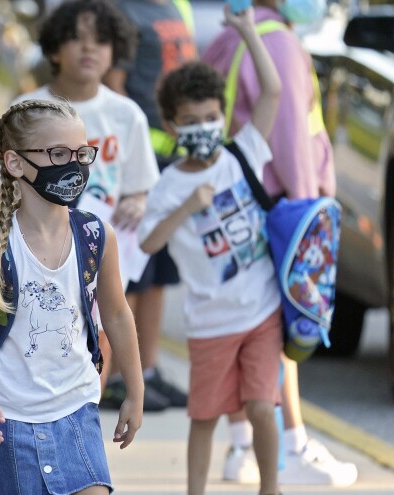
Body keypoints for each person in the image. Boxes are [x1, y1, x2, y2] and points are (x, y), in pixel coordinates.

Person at [202, 0, 357, 487]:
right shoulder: (282, 44)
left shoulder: (228, 37)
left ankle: (242, 447)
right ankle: (293, 443)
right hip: (280, 208)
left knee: (242, 327)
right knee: (281, 333)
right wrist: (310, 214)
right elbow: (291, 135)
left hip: (231, 205)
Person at [0, 99, 144, 494]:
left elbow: (118, 316)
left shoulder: (94, 235)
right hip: (7, 420)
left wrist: (135, 393)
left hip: (77, 411)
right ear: (15, 163)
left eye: (81, 153)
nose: (73, 164)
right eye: (58, 153)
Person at [0, 0, 163, 410]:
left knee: (99, 328)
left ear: (115, 51)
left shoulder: (127, 115)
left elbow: (141, 186)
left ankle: (82, 407)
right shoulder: (25, 109)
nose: (90, 49)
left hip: (97, 250)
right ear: (53, 48)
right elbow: (2, 184)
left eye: (101, 41)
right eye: (77, 39)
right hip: (36, 249)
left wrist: (137, 203)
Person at [138, 5, 282, 495]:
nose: (202, 127)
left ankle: (271, 487)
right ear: (173, 126)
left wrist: (247, 33)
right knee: (204, 417)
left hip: (262, 310)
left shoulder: (242, 154)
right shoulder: (170, 184)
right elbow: (149, 241)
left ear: (223, 115)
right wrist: (185, 209)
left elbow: (274, 91)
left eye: (211, 117)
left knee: (263, 407)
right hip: (211, 323)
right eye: (190, 121)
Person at [102, 0, 198, 411]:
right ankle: (121, 373)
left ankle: (150, 366)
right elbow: (117, 84)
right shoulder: (123, 10)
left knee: (159, 270)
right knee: (134, 272)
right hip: (146, 157)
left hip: (174, 155)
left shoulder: (177, 5)